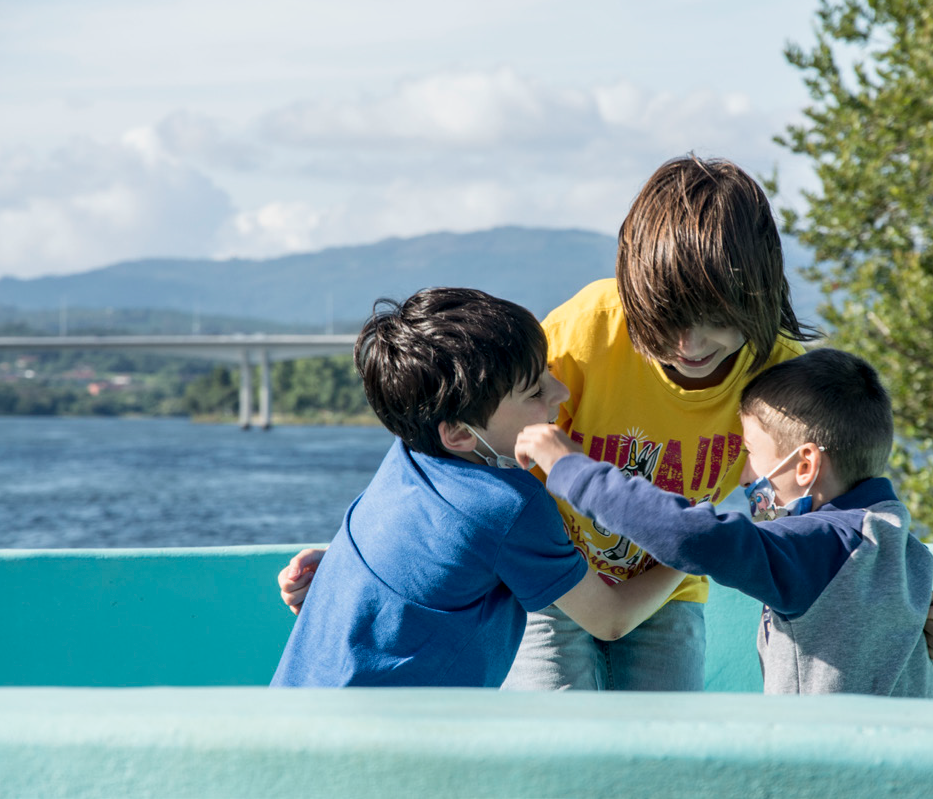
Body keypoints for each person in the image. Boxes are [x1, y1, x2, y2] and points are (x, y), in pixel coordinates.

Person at [278, 155, 933, 690]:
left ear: (759, 296)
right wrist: (362, 571)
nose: (689, 345)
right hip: (556, 574)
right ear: (634, 295)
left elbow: (839, 490)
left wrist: (889, 599)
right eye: (664, 323)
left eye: (715, 321)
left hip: (671, 592)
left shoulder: (784, 382)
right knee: (557, 742)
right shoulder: (580, 332)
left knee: (660, 755)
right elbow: (452, 449)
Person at [271, 288, 686, 687]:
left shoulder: (406, 458)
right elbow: (610, 620)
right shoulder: (511, 506)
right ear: (458, 434)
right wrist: (689, 549)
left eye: (550, 373)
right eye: (535, 391)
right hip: (384, 747)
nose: (561, 393)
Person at [514, 348, 933, 697]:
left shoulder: (816, 546)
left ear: (806, 464)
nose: (743, 477)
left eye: (752, 454)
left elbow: (691, 535)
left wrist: (571, 468)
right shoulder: (897, 544)